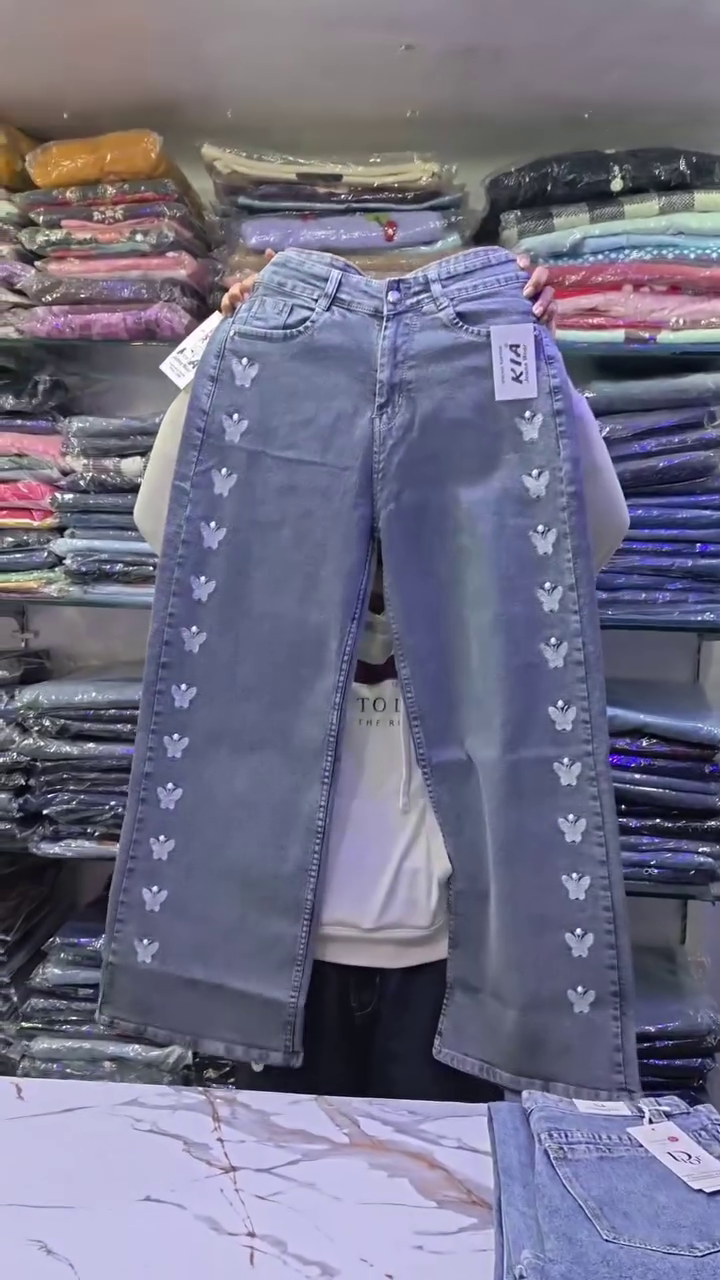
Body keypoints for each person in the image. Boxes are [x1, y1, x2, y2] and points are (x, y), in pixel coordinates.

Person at [135, 250, 628, 1102]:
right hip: (273, 945)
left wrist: (527, 364)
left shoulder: (484, 585)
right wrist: (238, 354)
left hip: (453, 957)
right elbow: (167, 524)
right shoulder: (264, 573)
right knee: (288, 1180)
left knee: (441, 1185)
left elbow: (594, 535)